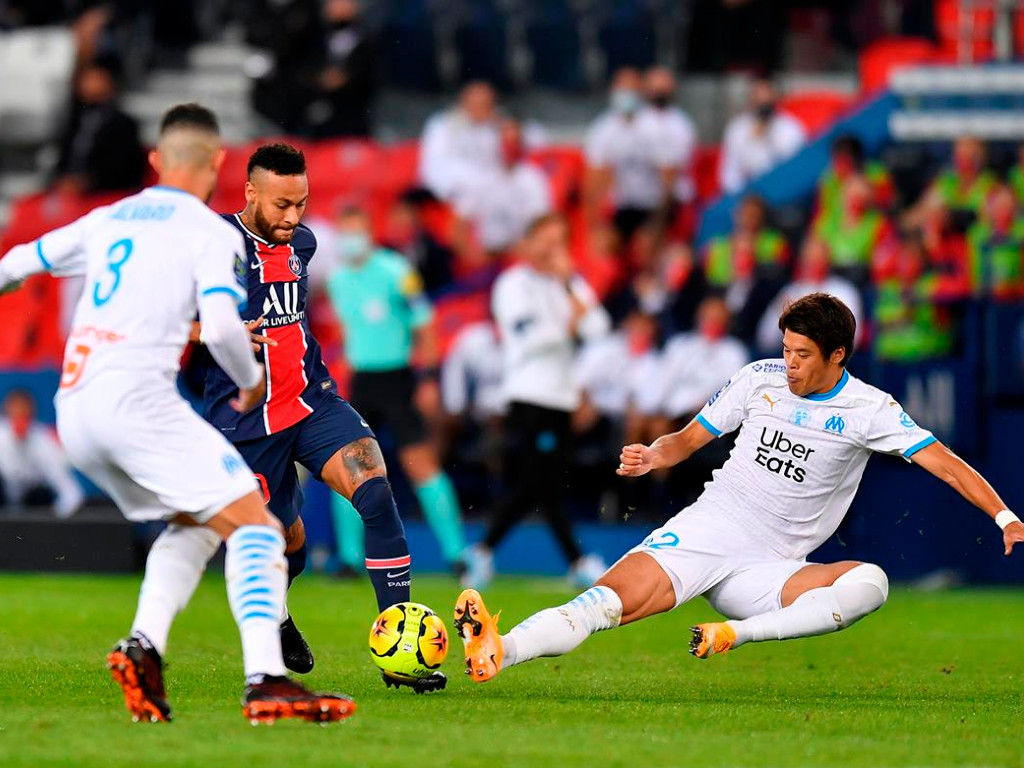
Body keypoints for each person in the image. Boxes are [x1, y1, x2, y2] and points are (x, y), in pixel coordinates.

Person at [454, 292, 1024, 683]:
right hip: (712, 527)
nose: (790, 364)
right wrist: (655, 454)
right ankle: (497, 651)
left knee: (870, 584)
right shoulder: (758, 379)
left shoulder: (869, 409)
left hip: (771, 571)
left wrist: (1004, 517)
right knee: (603, 604)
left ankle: (736, 634)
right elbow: (687, 439)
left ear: (838, 355)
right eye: (786, 349)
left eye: (803, 355)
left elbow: (946, 463)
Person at [0, 104, 354, 723]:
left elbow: (15, 265)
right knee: (258, 524)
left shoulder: (106, 218)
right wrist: (250, 382)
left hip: (76, 408)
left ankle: (144, 645)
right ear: (219, 164)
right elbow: (221, 324)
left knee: (196, 522)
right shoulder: (210, 231)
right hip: (139, 404)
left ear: (156, 161)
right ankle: (267, 679)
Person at [197, 145, 444, 692]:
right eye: (282, 205)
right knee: (287, 545)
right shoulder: (213, 244)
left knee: (376, 495)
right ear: (251, 193)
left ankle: (399, 648)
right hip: (246, 423)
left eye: (301, 204)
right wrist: (213, 333)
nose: (292, 218)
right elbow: (163, 314)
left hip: (312, 402)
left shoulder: (303, 244)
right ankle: (279, 616)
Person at [462, 213, 612, 589]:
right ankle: (576, 560)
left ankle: (481, 553)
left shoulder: (568, 284)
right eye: (545, 239)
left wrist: (568, 289)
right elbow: (528, 337)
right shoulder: (513, 284)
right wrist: (569, 324)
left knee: (540, 485)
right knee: (540, 483)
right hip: (529, 396)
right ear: (528, 243)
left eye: (558, 240)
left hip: (562, 399)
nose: (551, 248)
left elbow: (599, 327)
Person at [324, 206, 467, 576]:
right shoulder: (338, 279)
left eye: (356, 229)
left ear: (371, 232)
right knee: (350, 467)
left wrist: (429, 378)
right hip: (362, 381)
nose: (350, 239)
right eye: (345, 230)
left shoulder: (396, 272)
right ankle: (350, 560)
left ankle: (457, 554)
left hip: (398, 379)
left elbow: (426, 324)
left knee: (421, 465)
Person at [583, 68, 681, 244]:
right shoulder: (603, 129)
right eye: (622, 90)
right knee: (603, 243)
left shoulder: (657, 127)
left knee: (646, 244)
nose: (626, 96)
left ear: (640, 94)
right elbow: (594, 184)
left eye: (631, 90)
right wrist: (596, 226)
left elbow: (668, 182)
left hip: (653, 207)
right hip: (622, 207)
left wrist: (655, 225)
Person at [453, 117, 553, 258]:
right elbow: (459, 224)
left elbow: (543, 226)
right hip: (487, 257)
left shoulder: (533, 179)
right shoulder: (480, 178)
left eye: (514, 142)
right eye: (505, 141)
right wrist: (470, 255)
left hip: (521, 256)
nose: (509, 147)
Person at [52, 56, 145, 194]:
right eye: (85, 79)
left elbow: (123, 167)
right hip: (69, 192)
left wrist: (87, 182)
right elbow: (62, 157)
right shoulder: (73, 121)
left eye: (95, 79)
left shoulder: (124, 124)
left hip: (106, 193)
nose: (88, 84)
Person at [755, 237, 863, 355]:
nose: (811, 264)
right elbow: (765, 338)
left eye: (817, 260)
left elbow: (853, 338)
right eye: (808, 259)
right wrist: (781, 315)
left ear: (827, 262)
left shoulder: (844, 291)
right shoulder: (791, 292)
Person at [0, 389, 84, 518]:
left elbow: (70, 492)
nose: (19, 416)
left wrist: (55, 518)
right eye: (15, 412)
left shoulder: (43, 440)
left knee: (39, 494)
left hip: (32, 511)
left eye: (24, 413)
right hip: (3, 504)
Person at [719, 78, 806, 194]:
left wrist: (768, 135)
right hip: (746, 194)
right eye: (757, 98)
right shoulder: (737, 128)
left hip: (781, 193)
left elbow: (794, 171)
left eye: (766, 99)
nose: (762, 103)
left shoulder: (791, 128)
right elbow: (730, 171)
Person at [418, 81, 501, 201]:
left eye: (485, 106)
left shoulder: (496, 127)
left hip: (486, 195)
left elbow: (533, 135)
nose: (479, 111)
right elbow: (435, 169)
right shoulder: (442, 125)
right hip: (445, 193)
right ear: (463, 103)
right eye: (475, 105)